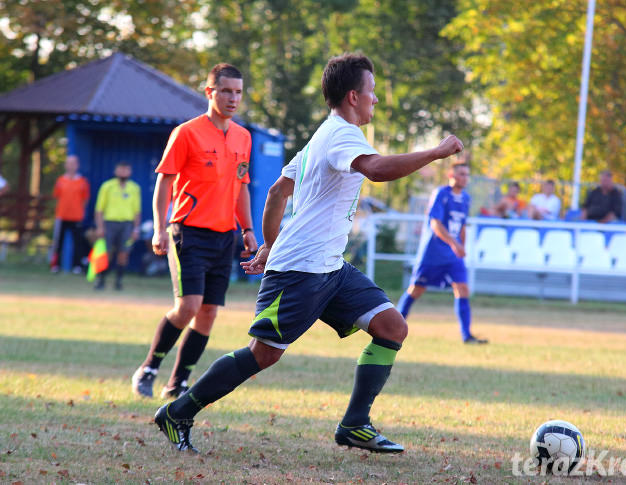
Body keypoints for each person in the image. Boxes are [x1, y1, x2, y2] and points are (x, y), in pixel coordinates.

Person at [153, 53, 464, 454]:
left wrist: (268, 244)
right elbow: (377, 169)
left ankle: (354, 424)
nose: (375, 100)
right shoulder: (341, 136)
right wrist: (435, 153)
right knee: (262, 355)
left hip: (329, 267)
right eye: (372, 93)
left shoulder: (325, 134)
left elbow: (277, 192)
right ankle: (178, 411)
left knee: (392, 327)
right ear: (353, 96)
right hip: (301, 270)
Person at [131, 63, 258, 400]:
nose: (233, 98)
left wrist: (247, 228)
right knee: (188, 305)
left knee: (208, 312)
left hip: (224, 236)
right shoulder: (187, 133)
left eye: (238, 92)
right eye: (227, 91)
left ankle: (178, 382)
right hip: (188, 232)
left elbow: (241, 186)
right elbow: (164, 180)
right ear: (210, 92)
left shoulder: (244, 137)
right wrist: (159, 228)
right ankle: (149, 369)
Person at [396, 163, 486, 344]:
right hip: (433, 253)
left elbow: (461, 225)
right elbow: (435, 223)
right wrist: (454, 243)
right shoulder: (441, 194)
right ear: (450, 174)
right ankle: (392, 327)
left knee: (462, 288)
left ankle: (467, 336)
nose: (464, 177)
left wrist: (462, 246)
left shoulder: (466, 198)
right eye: (461, 173)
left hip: (453, 254)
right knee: (416, 290)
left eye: (467, 174)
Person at [94, 161, 141, 290]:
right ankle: (101, 280)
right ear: (116, 171)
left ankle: (118, 281)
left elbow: (137, 211)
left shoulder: (134, 188)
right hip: (109, 223)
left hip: (126, 224)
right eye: (121, 169)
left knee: (123, 254)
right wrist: (100, 227)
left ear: (130, 172)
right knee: (106, 253)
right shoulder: (107, 186)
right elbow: (99, 209)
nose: (123, 172)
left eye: (126, 170)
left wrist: (136, 229)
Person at [51, 155, 90, 274]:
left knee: (77, 242)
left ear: (77, 165)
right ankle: (55, 266)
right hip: (61, 216)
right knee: (58, 242)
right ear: (65, 165)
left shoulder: (82, 181)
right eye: (68, 163)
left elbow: (85, 199)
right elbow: (56, 197)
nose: (71, 166)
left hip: (76, 216)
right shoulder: (60, 180)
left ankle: (77, 266)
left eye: (73, 163)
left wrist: (79, 211)